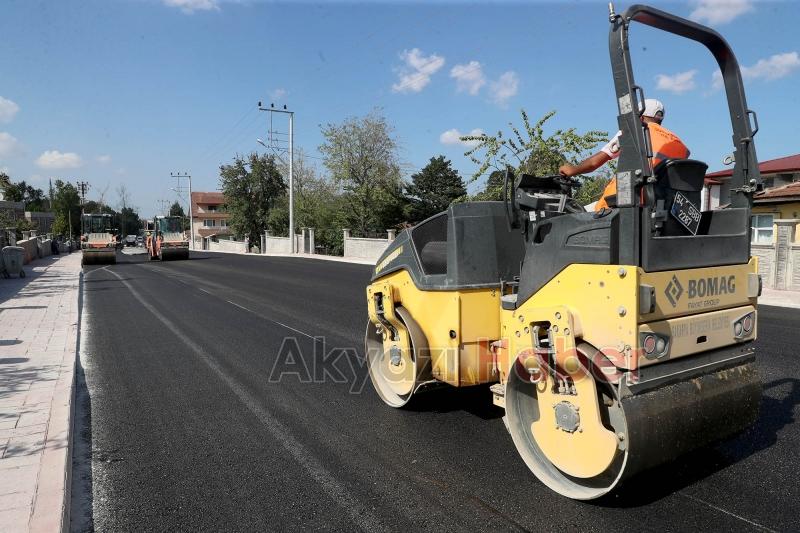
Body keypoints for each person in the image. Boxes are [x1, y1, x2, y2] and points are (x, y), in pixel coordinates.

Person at [558, 99, 690, 210]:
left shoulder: (634, 132)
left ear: (640, 117)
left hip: (622, 203)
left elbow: (594, 163)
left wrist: (571, 170)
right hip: (659, 206)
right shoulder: (679, 144)